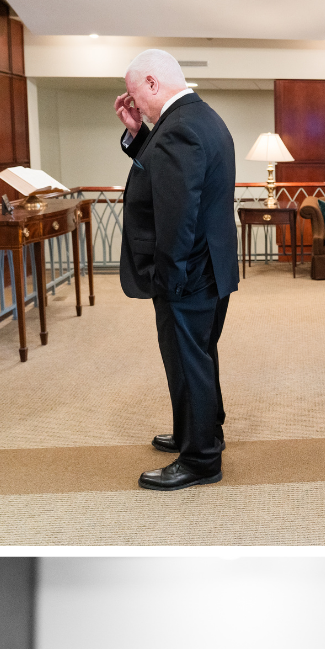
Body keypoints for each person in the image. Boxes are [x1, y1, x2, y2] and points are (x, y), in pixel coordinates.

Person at [115, 49, 238, 493]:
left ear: (152, 82)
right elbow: (166, 175)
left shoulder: (180, 128)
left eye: (134, 95)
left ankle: (201, 459)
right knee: (199, 356)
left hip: (188, 270)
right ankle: (203, 432)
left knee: (188, 361)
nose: (133, 104)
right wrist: (137, 134)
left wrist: (167, 277)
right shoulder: (200, 118)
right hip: (213, 264)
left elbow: (177, 213)